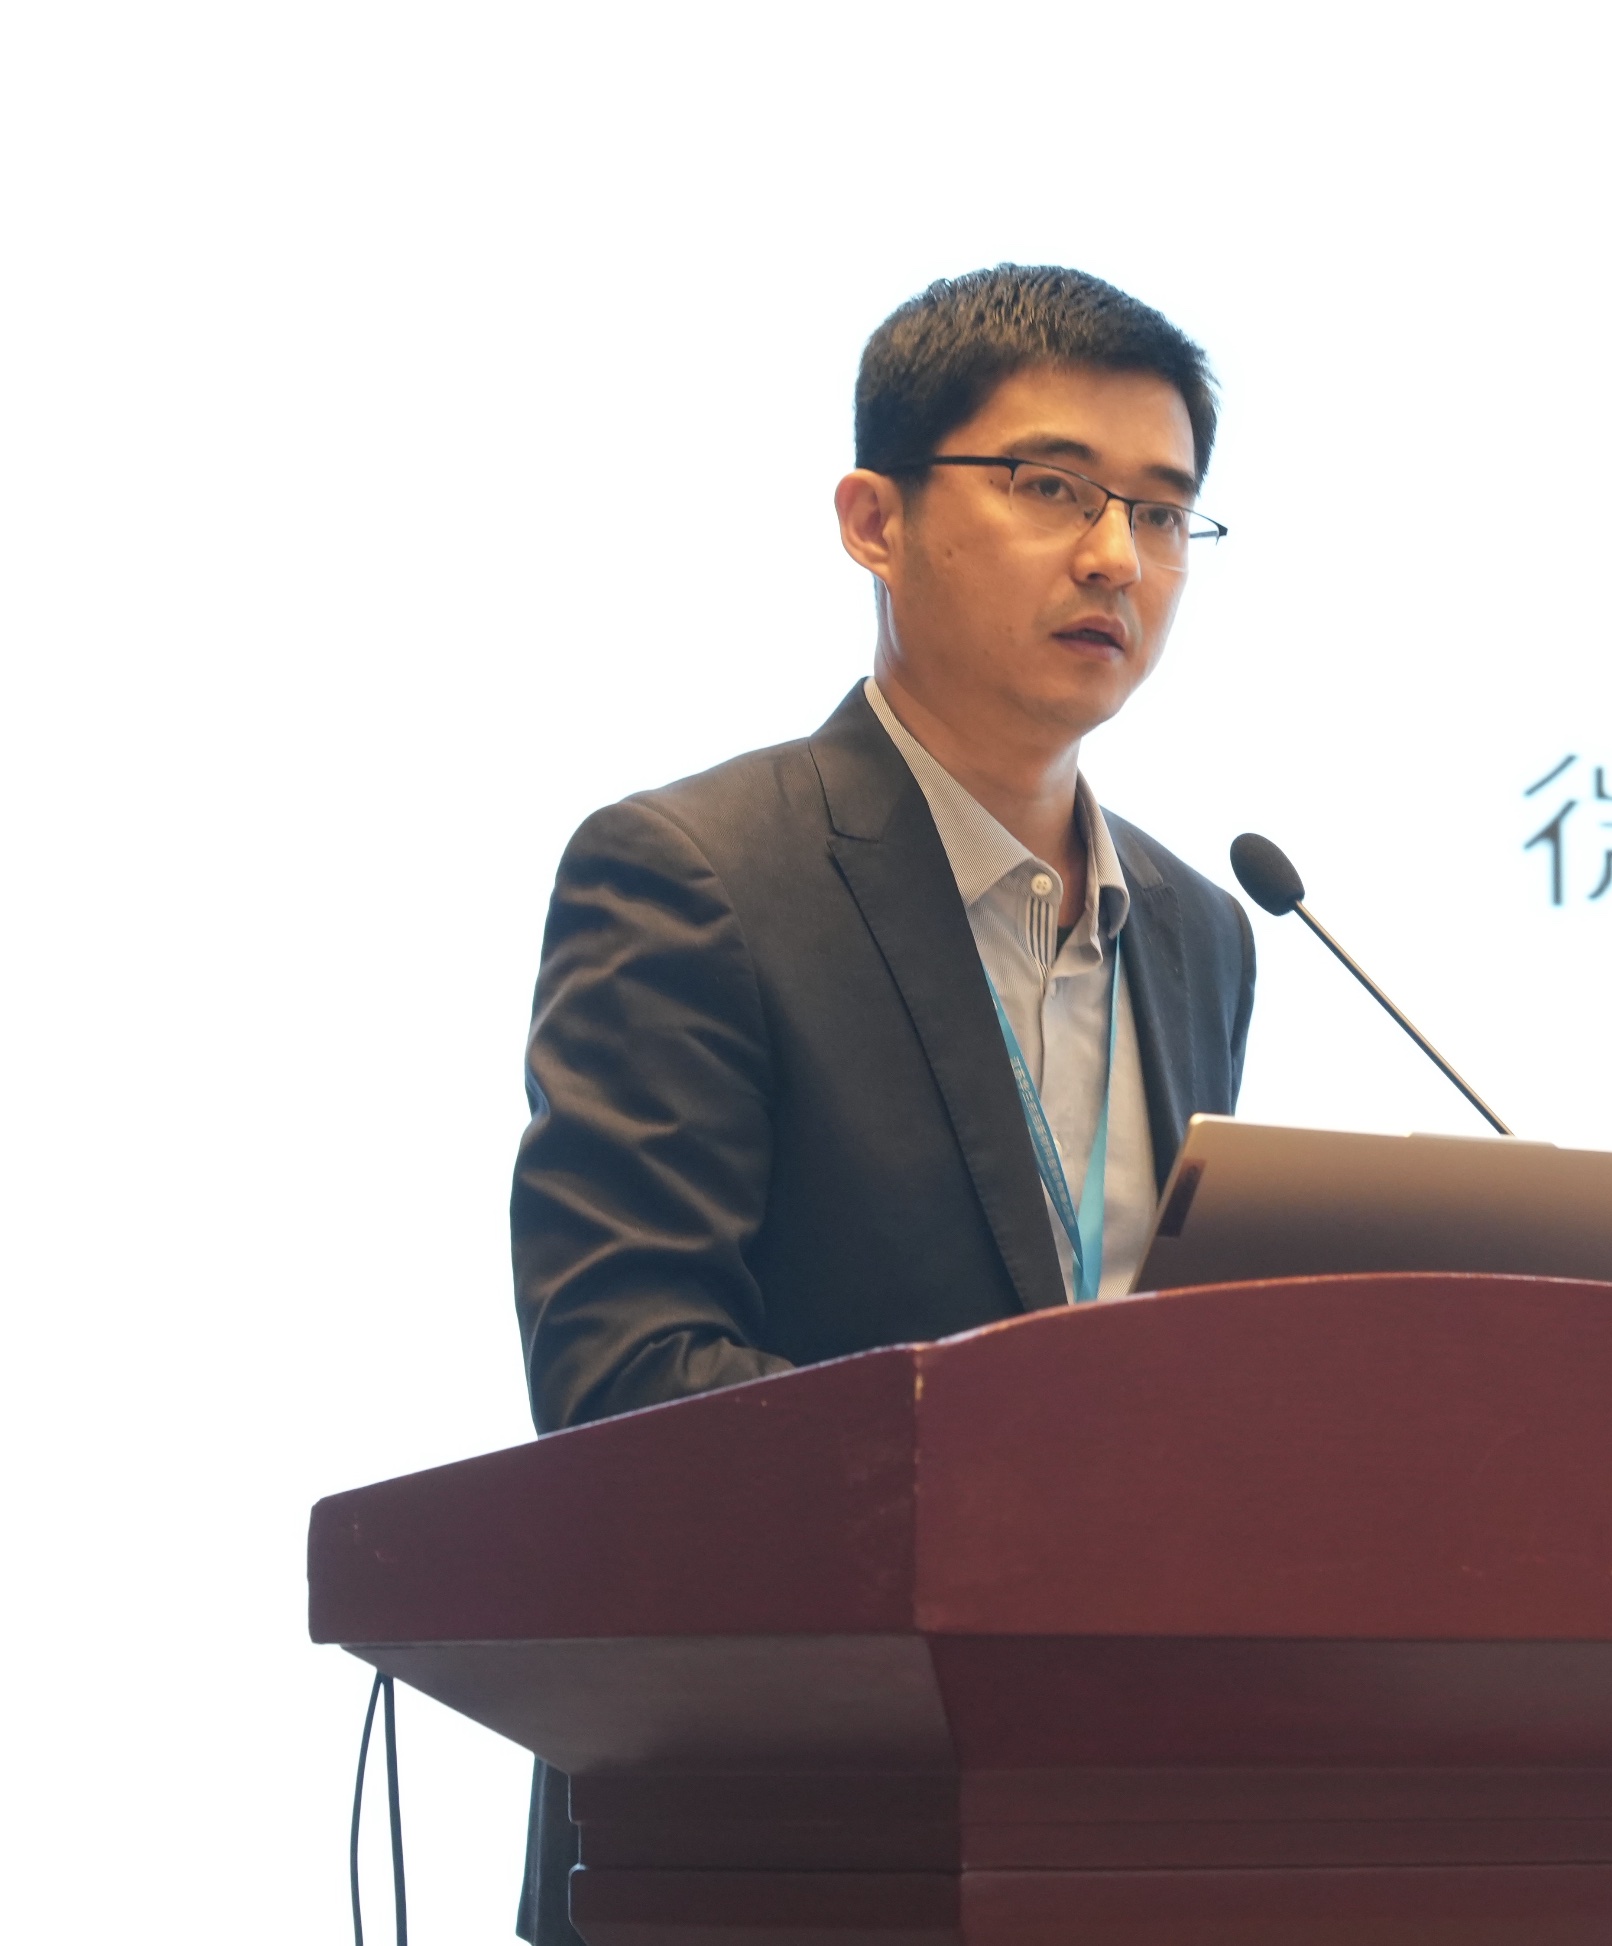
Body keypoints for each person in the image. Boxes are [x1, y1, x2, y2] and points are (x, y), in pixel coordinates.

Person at [507, 264, 1255, 1946]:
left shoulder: (1200, 929)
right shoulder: (695, 873)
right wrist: (1015, 1497)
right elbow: (625, 1377)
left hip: (1115, 1823)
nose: (1114, 557)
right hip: (771, 1830)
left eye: (1161, 511)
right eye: (1051, 486)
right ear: (874, 520)